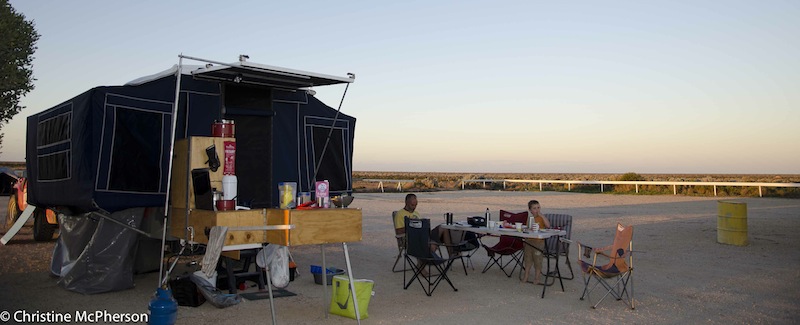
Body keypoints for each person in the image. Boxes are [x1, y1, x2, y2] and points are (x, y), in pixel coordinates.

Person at [521, 199, 551, 284]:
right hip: (529, 241)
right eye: (534, 208)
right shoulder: (530, 218)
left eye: (538, 207)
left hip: (539, 241)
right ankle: (526, 275)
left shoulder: (541, 218)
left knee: (538, 260)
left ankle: (537, 277)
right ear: (530, 210)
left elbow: (548, 225)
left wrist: (542, 216)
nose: (537, 210)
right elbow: (527, 228)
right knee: (527, 260)